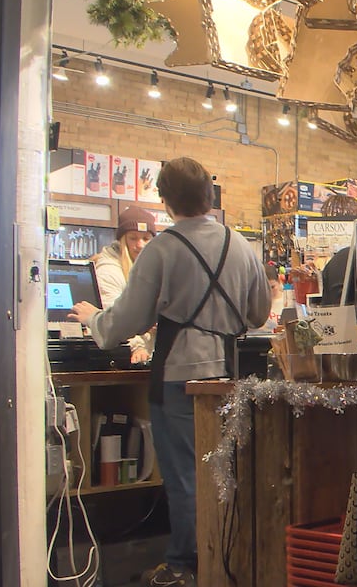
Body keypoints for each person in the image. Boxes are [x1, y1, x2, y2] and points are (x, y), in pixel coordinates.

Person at [69, 157, 271, 586]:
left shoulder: (162, 248)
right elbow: (258, 314)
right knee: (229, 470)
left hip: (180, 373)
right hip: (233, 373)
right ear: (209, 196)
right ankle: (228, 558)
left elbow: (126, 321)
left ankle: (185, 566)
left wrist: (92, 319)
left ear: (164, 199)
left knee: (185, 475)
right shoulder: (240, 245)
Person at [92, 206, 157, 363]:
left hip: (151, 356)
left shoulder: (153, 267)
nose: (140, 244)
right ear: (122, 239)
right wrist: (137, 346)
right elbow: (113, 317)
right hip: (124, 356)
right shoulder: (108, 271)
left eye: (146, 238)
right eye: (133, 238)